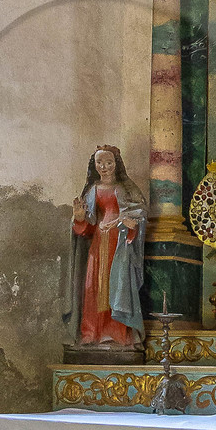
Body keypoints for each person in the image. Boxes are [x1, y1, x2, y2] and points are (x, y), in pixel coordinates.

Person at [64, 146, 147, 345]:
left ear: (116, 164)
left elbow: (140, 214)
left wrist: (130, 223)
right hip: (98, 243)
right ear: (94, 165)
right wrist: (80, 218)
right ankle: (91, 333)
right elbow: (86, 228)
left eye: (109, 163)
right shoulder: (92, 190)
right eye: (99, 163)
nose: (104, 167)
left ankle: (116, 334)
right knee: (92, 286)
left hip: (119, 245)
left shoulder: (127, 189)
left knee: (117, 286)